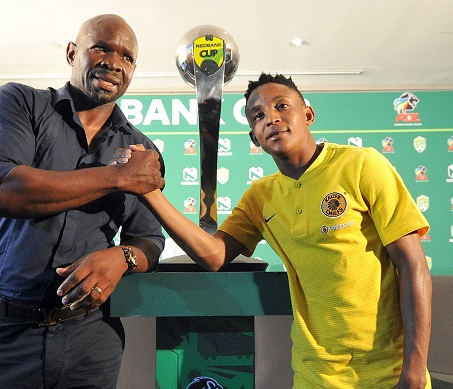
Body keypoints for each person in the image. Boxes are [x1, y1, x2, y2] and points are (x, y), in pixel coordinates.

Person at [127, 73, 432, 388]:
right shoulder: (262, 196)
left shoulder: (362, 165)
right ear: (254, 137)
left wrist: (414, 368)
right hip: (315, 375)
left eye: (281, 106)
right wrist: (150, 193)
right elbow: (215, 255)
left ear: (308, 115)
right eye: (258, 116)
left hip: (388, 372)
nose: (271, 118)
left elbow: (413, 264)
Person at [0, 14, 165, 389]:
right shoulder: (19, 103)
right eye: (101, 47)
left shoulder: (140, 148)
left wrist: (120, 258)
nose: (112, 62)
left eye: (126, 57)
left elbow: (149, 240)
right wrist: (116, 177)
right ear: (73, 53)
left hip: (89, 344)